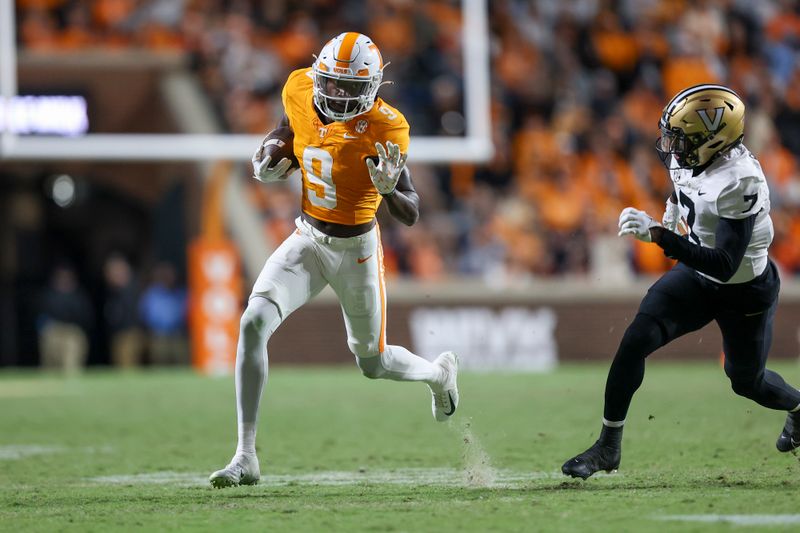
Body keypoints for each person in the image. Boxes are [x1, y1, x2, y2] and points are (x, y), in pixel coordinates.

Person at [209, 32, 459, 488]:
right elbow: (291, 131)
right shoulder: (300, 87)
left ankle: (439, 374)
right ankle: (245, 455)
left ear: (372, 87)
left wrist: (387, 190)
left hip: (356, 250)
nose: (337, 94)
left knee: (373, 362)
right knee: (251, 323)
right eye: (332, 82)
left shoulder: (387, 127)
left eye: (349, 86)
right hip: (307, 237)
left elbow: (412, 209)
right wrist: (270, 150)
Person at [562, 84, 800, 480]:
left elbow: (725, 264)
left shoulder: (740, 179)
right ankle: (608, 446)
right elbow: (683, 190)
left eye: (683, 139)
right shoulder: (692, 156)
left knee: (746, 382)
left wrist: (660, 235)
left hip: (744, 288)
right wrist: (671, 213)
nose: (672, 147)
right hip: (697, 273)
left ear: (714, 139)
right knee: (635, 339)